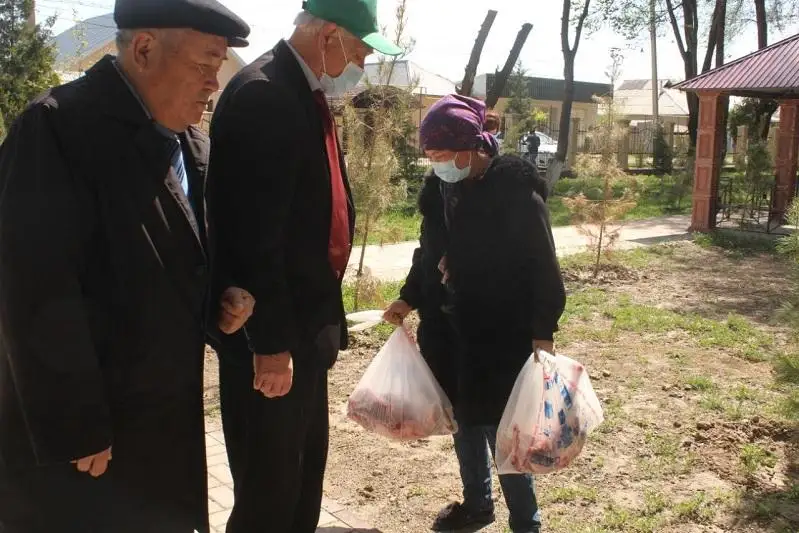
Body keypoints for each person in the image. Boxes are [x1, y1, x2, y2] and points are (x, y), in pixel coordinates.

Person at [0, 1, 251, 532]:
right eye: (205, 65)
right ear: (144, 49)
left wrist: (220, 302)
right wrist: (77, 426)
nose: (214, 83)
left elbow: (177, 258)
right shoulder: (58, 129)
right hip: (88, 442)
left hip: (162, 414)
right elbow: (33, 288)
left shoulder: (188, 142)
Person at [205, 1, 401, 532]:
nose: (360, 62)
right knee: (269, 492)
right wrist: (270, 346)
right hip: (273, 341)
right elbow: (254, 237)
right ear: (330, 34)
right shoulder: (265, 96)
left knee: (297, 479)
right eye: (359, 49)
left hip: (302, 329)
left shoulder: (298, 91)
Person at [384, 94, 566, 533]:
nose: (435, 164)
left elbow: (544, 266)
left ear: (471, 148)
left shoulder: (516, 196)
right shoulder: (441, 192)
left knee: (505, 434)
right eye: (429, 156)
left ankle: (526, 521)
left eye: (441, 154)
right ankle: (477, 505)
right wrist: (409, 297)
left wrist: (542, 333)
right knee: (464, 426)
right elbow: (427, 254)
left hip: (499, 336)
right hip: (448, 334)